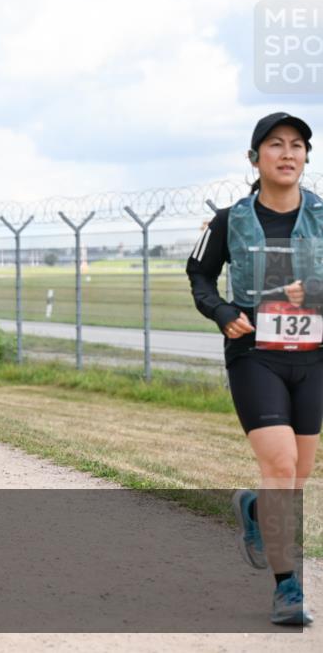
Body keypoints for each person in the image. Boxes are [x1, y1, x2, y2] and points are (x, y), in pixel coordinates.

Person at [187, 112, 320, 625]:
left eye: (297, 145)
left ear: (305, 157)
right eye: (275, 144)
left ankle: (255, 509)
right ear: (254, 158)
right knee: (281, 466)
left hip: (313, 357)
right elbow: (199, 274)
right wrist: (222, 312)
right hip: (254, 356)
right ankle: (288, 589)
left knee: (297, 475)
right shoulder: (230, 220)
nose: (287, 153)